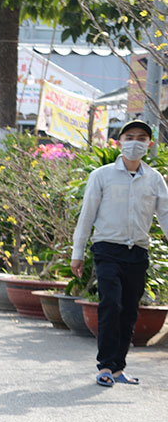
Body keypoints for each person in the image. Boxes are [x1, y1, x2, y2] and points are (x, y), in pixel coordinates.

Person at [71, 119, 168, 388]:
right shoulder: (101, 176)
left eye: (141, 137)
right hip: (107, 249)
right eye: (129, 137)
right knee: (110, 303)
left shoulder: (154, 179)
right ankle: (104, 366)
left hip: (137, 251)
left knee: (128, 312)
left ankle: (118, 368)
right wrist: (77, 253)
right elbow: (87, 215)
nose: (135, 142)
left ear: (149, 144)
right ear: (119, 142)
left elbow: (166, 215)